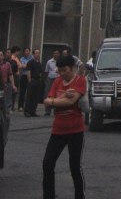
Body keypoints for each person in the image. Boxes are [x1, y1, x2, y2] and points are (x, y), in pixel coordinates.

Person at [43, 53, 87, 199]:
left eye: (65, 70)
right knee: (47, 164)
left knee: (75, 167)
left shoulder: (80, 81)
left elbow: (71, 102)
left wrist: (54, 101)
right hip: (58, 130)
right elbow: (47, 101)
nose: (62, 73)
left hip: (75, 130)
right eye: (59, 70)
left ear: (72, 68)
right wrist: (61, 97)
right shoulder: (57, 82)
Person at [25, 48, 43, 117]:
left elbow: (40, 72)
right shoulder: (30, 62)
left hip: (38, 81)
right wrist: (30, 81)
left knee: (36, 97)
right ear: (33, 54)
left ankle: (33, 111)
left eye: (38, 53)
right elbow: (28, 72)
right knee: (30, 97)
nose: (38, 54)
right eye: (36, 53)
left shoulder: (39, 63)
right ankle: (27, 111)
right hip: (32, 80)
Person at [43, 49, 60, 116]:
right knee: (48, 94)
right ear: (53, 54)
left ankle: (56, 110)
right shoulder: (49, 62)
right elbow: (46, 71)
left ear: (59, 54)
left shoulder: (60, 61)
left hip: (58, 79)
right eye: (54, 53)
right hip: (50, 79)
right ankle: (47, 110)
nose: (55, 54)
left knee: (57, 94)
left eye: (57, 53)